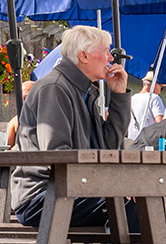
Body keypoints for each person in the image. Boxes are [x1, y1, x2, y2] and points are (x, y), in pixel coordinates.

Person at [11, 26, 133, 231]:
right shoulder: (55, 88)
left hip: (66, 191)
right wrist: (106, 186)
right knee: (127, 206)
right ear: (83, 56)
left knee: (141, 203)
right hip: (41, 197)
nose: (110, 58)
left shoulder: (83, 91)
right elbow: (57, 157)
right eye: (105, 51)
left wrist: (119, 96)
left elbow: (108, 147)